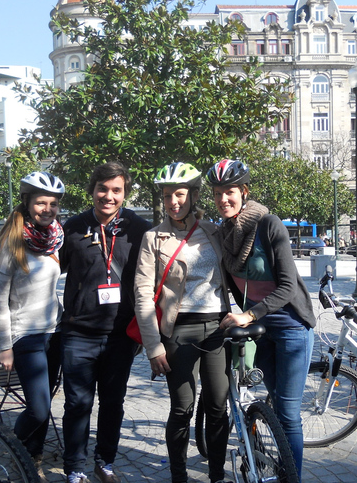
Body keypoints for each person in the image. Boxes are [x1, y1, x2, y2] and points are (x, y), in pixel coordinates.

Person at [207, 158, 315, 480]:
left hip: (290, 324)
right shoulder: (224, 233)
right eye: (217, 193)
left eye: (230, 192)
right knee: (274, 401)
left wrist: (250, 314)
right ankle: (271, 455)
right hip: (258, 328)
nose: (223, 199)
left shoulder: (269, 224)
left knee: (288, 413)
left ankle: (290, 476)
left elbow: (286, 286)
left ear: (243, 191)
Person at [133, 163, 231, 483]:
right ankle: (179, 476)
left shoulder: (213, 231)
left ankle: (217, 474)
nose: (173, 201)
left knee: (217, 406)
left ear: (194, 195)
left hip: (217, 328)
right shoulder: (153, 238)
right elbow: (143, 294)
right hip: (179, 332)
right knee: (182, 408)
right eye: (166, 196)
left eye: (179, 194)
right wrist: (153, 346)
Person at [59, 162, 151, 483]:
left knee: (113, 402)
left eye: (116, 190)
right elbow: (45, 270)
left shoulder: (138, 229)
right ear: (92, 190)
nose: (108, 196)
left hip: (119, 335)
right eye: (102, 188)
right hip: (78, 333)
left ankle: (105, 461)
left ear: (124, 193)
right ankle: (74, 467)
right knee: (77, 404)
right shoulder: (72, 227)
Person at [0, 171, 66, 474]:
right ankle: (11, 446)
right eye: (41, 202)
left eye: (53, 203)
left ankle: (30, 459)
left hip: (54, 333)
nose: (47, 209)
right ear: (27, 201)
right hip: (25, 336)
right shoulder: (11, 243)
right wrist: (5, 347)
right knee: (37, 408)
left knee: (44, 405)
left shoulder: (53, 239)